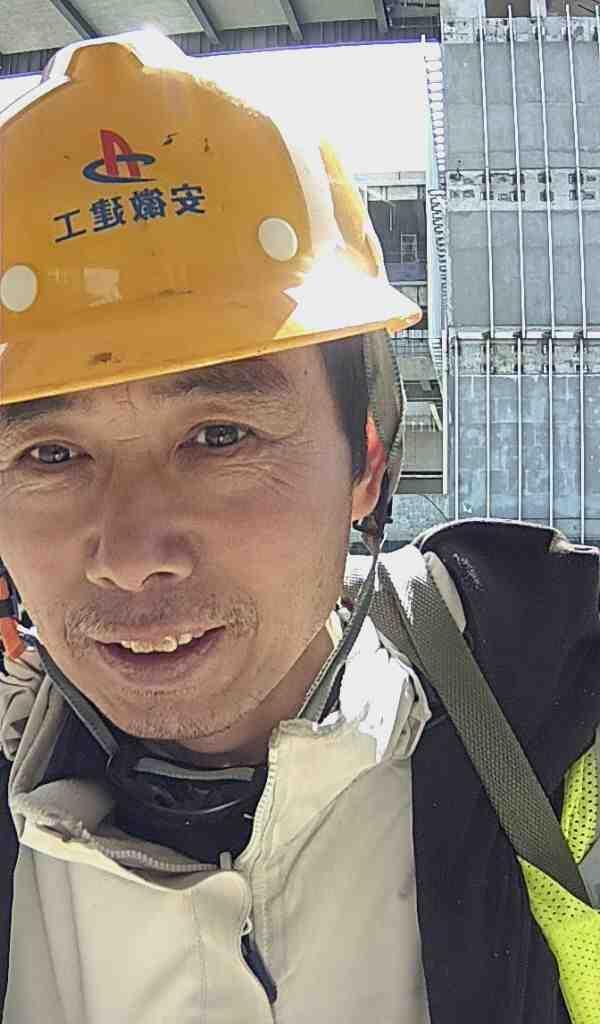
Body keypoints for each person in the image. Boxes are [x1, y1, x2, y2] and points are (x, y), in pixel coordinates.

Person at [0, 30, 598, 1024]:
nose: (133, 557)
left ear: (366, 462)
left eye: (219, 435)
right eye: (51, 455)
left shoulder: (555, 723)